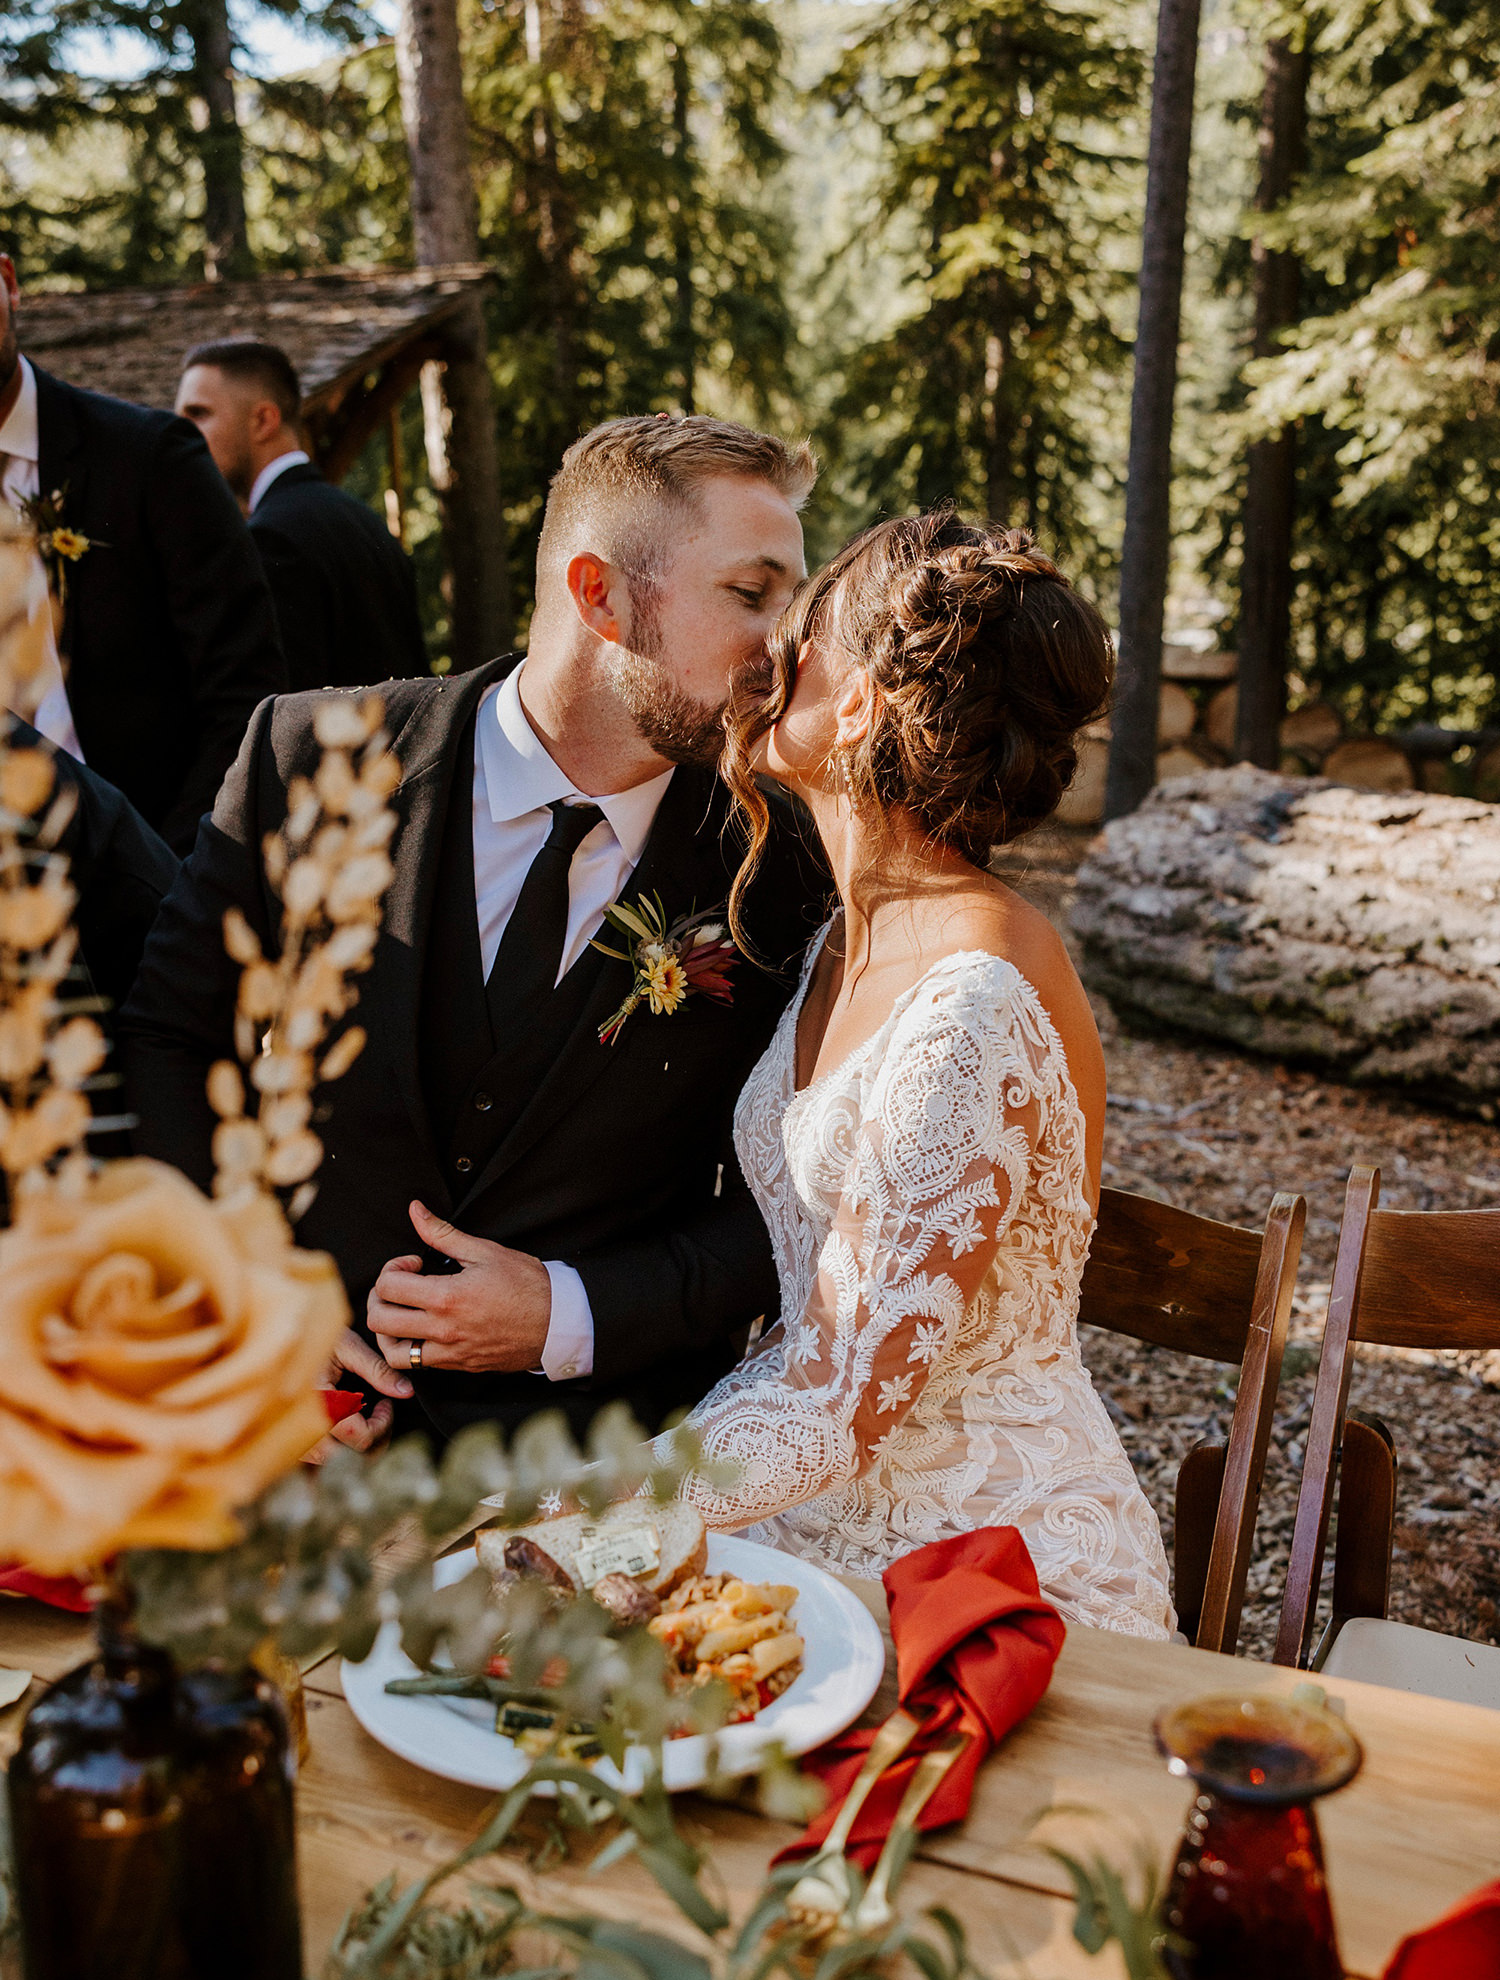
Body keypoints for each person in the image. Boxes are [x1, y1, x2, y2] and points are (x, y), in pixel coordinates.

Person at [120, 414, 829, 1451]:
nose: (787, 642)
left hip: (607, 1470)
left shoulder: (783, 865)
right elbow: (167, 1040)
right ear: (602, 597)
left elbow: (797, 1199)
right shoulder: (304, 759)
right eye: (751, 593)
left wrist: (571, 1313)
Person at [664, 511, 1174, 1638]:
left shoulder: (972, 1003)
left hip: (975, 1557)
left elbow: (848, 1399)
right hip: (795, 1471)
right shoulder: (841, 934)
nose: (765, 665)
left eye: (794, 640)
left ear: (859, 702)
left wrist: (563, 1500)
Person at [0, 254, 286, 853]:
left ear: (7, 281)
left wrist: (175, 879)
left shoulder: (149, 457)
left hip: (139, 879)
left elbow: (245, 695)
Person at [174, 338, 429, 693]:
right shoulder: (366, 522)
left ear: (263, 420)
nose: (182, 434)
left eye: (198, 414)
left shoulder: (271, 539)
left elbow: (285, 711)